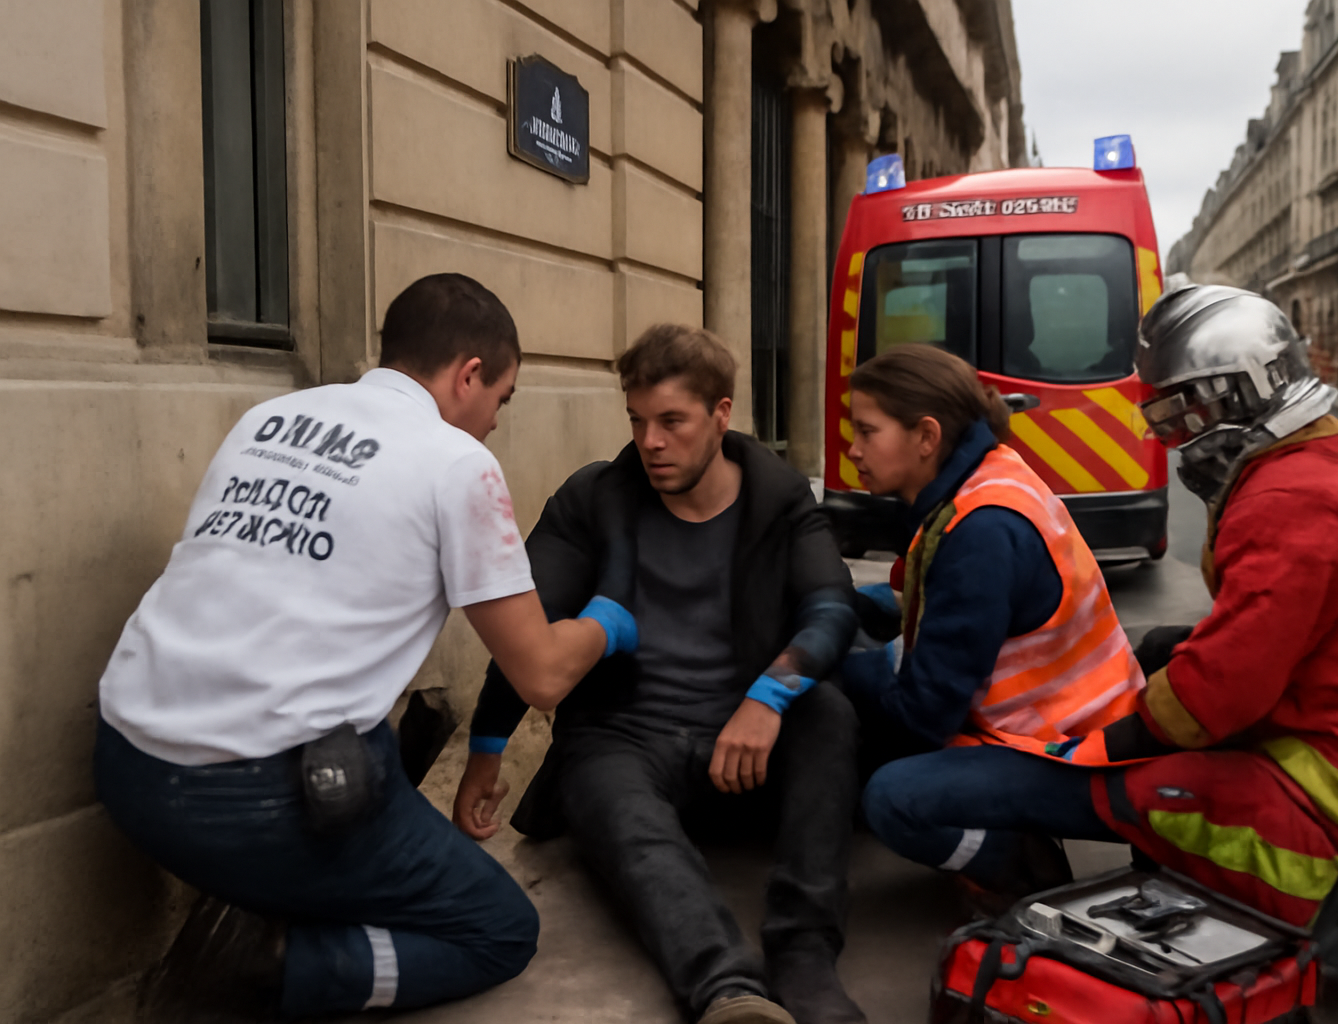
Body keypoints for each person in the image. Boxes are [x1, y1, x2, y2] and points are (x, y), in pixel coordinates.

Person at [94, 274, 638, 1020]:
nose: (495, 424)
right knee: (499, 929)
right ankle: (273, 966)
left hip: (126, 769)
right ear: (468, 374)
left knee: (365, 755)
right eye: (501, 400)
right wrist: (608, 619)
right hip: (258, 802)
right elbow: (542, 672)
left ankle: (270, 907)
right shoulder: (455, 462)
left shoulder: (270, 418)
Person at [454, 324, 863, 1024]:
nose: (651, 442)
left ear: (722, 414)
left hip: (744, 738)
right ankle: (728, 990)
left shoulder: (780, 497)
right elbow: (526, 624)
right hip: (627, 734)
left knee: (828, 714)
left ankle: (803, 956)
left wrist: (770, 695)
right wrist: (488, 745)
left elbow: (831, 606)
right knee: (600, 783)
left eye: (672, 421)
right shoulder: (595, 498)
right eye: (638, 422)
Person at [1089, 286, 1338, 942]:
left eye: (1188, 412)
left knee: (1152, 788)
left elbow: (1215, 697)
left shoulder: (1292, 500)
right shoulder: (1335, 461)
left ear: (1247, 391)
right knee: (1171, 651)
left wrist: (1099, 748)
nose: (1179, 436)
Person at [837, 345, 1147, 905]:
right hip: (1081, 721)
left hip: (1072, 755)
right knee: (864, 654)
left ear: (926, 437)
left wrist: (825, 679)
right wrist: (838, 609)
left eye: (867, 431)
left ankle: (1017, 863)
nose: (852, 449)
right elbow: (919, 600)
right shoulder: (985, 477)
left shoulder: (982, 530)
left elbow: (923, 717)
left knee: (890, 796)